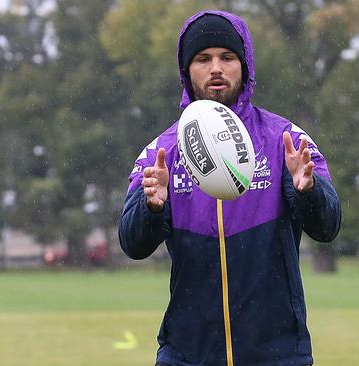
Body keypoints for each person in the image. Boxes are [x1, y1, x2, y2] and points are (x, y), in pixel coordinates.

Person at [119, 10, 341, 366]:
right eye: (203, 59)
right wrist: (152, 207)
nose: (216, 68)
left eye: (227, 57)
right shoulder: (162, 153)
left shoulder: (284, 141)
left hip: (278, 356)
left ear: (245, 64)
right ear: (186, 71)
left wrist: (307, 192)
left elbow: (328, 227)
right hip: (187, 356)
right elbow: (131, 244)